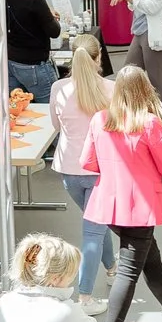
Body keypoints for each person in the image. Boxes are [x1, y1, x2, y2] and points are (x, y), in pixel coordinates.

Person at [80, 66, 162, 322]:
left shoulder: (100, 119)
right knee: (129, 272)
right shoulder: (149, 123)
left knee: (150, 258)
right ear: (145, 89)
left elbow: (86, 161)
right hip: (140, 209)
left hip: (108, 207)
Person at [50, 35, 117, 302]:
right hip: (101, 171)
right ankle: (85, 297)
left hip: (70, 171)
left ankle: (112, 268)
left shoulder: (59, 88)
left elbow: (56, 126)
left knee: (95, 226)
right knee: (93, 232)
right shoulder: (111, 89)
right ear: (99, 57)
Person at [3, 0, 63, 102]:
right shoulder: (35, 0)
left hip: (11, 63)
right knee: (51, 110)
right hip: (35, 66)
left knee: (18, 111)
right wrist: (49, 16)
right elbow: (54, 31)